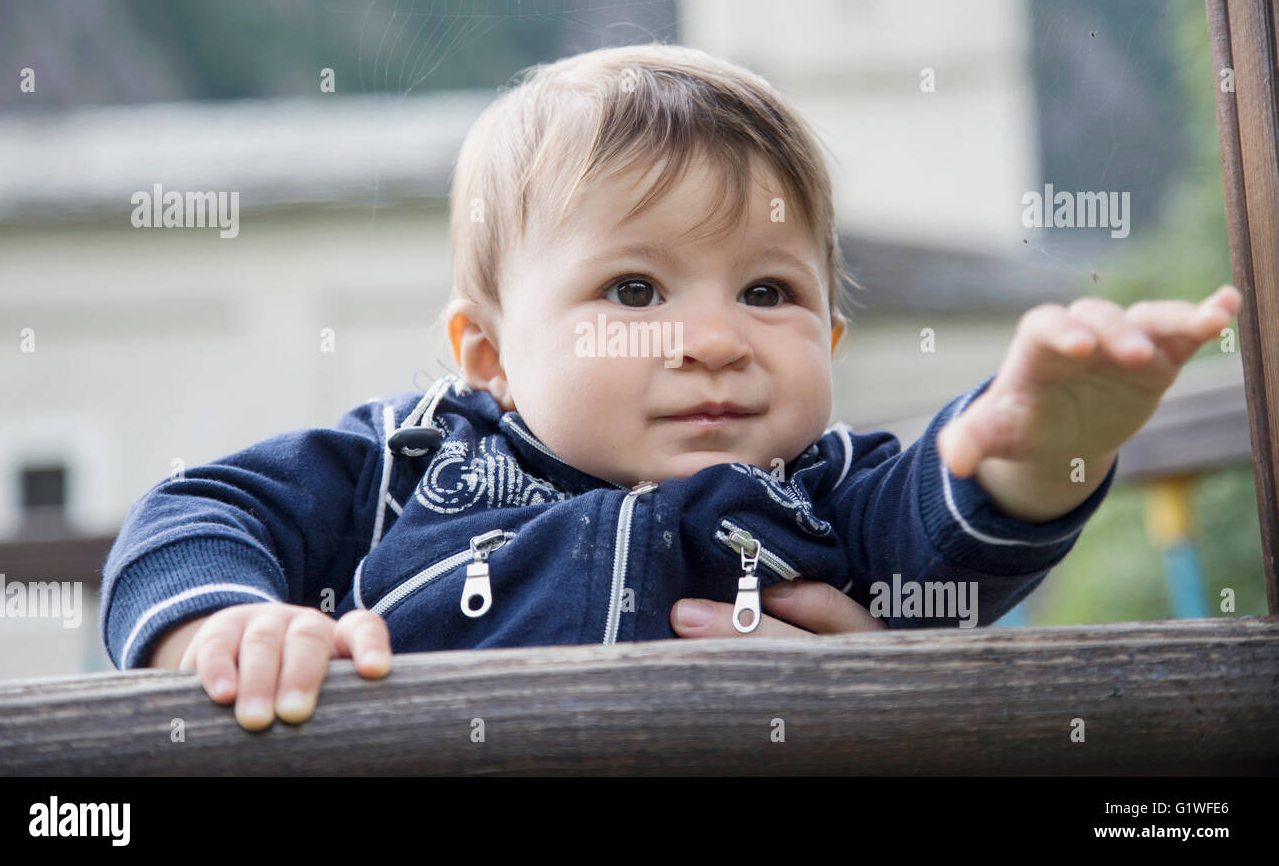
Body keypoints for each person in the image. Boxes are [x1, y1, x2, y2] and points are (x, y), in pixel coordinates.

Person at [100, 43, 1242, 731]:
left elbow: (939, 541)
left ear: (832, 334)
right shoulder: (409, 463)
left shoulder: (823, 489)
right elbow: (198, 509)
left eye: (766, 292)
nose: (713, 340)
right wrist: (224, 622)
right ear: (490, 352)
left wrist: (1039, 448)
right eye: (635, 289)